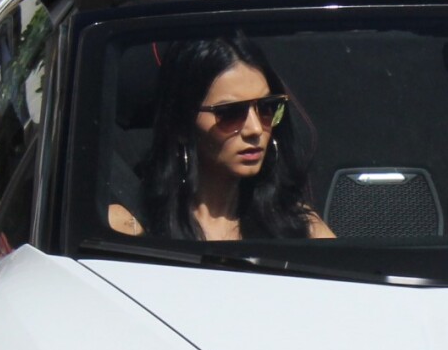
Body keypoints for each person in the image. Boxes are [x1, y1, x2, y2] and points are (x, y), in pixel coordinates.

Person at [111, 36, 331, 241]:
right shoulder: (130, 225)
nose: (254, 129)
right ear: (180, 124)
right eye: (230, 113)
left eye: (267, 108)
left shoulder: (300, 226)